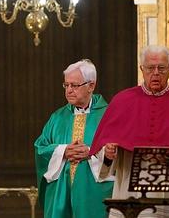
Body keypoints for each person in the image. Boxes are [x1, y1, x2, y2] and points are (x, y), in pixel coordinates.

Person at [89, 45, 169, 217]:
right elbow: (104, 153)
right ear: (142, 69)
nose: (155, 72)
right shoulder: (122, 101)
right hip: (128, 195)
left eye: (161, 68)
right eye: (150, 67)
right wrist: (108, 153)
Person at [34, 59, 113, 218]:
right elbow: (40, 147)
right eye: (66, 85)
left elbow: (119, 151)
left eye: (74, 85)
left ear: (91, 85)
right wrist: (63, 151)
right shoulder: (57, 117)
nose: (69, 90)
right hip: (61, 191)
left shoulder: (109, 116)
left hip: (94, 192)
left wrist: (91, 153)